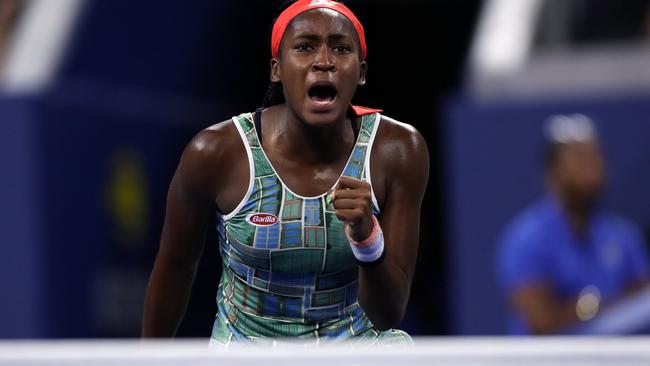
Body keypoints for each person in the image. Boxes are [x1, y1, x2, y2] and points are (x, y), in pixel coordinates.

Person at [141, 0, 429, 346]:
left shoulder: (397, 151)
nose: (324, 62)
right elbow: (175, 268)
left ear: (361, 71)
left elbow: (388, 313)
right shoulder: (215, 153)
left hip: (358, 348)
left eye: (340, 48)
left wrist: (367, 238)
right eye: (305, 47)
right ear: (276, 69)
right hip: (245, 349)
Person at [496, 114, 650, 335]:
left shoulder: (623, 235)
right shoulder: (524, 239)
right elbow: (542, 322)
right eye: (579, 158)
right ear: (553, 172)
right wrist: (595, 305)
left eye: (596, 157)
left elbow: (643, 300)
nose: (592, 168)